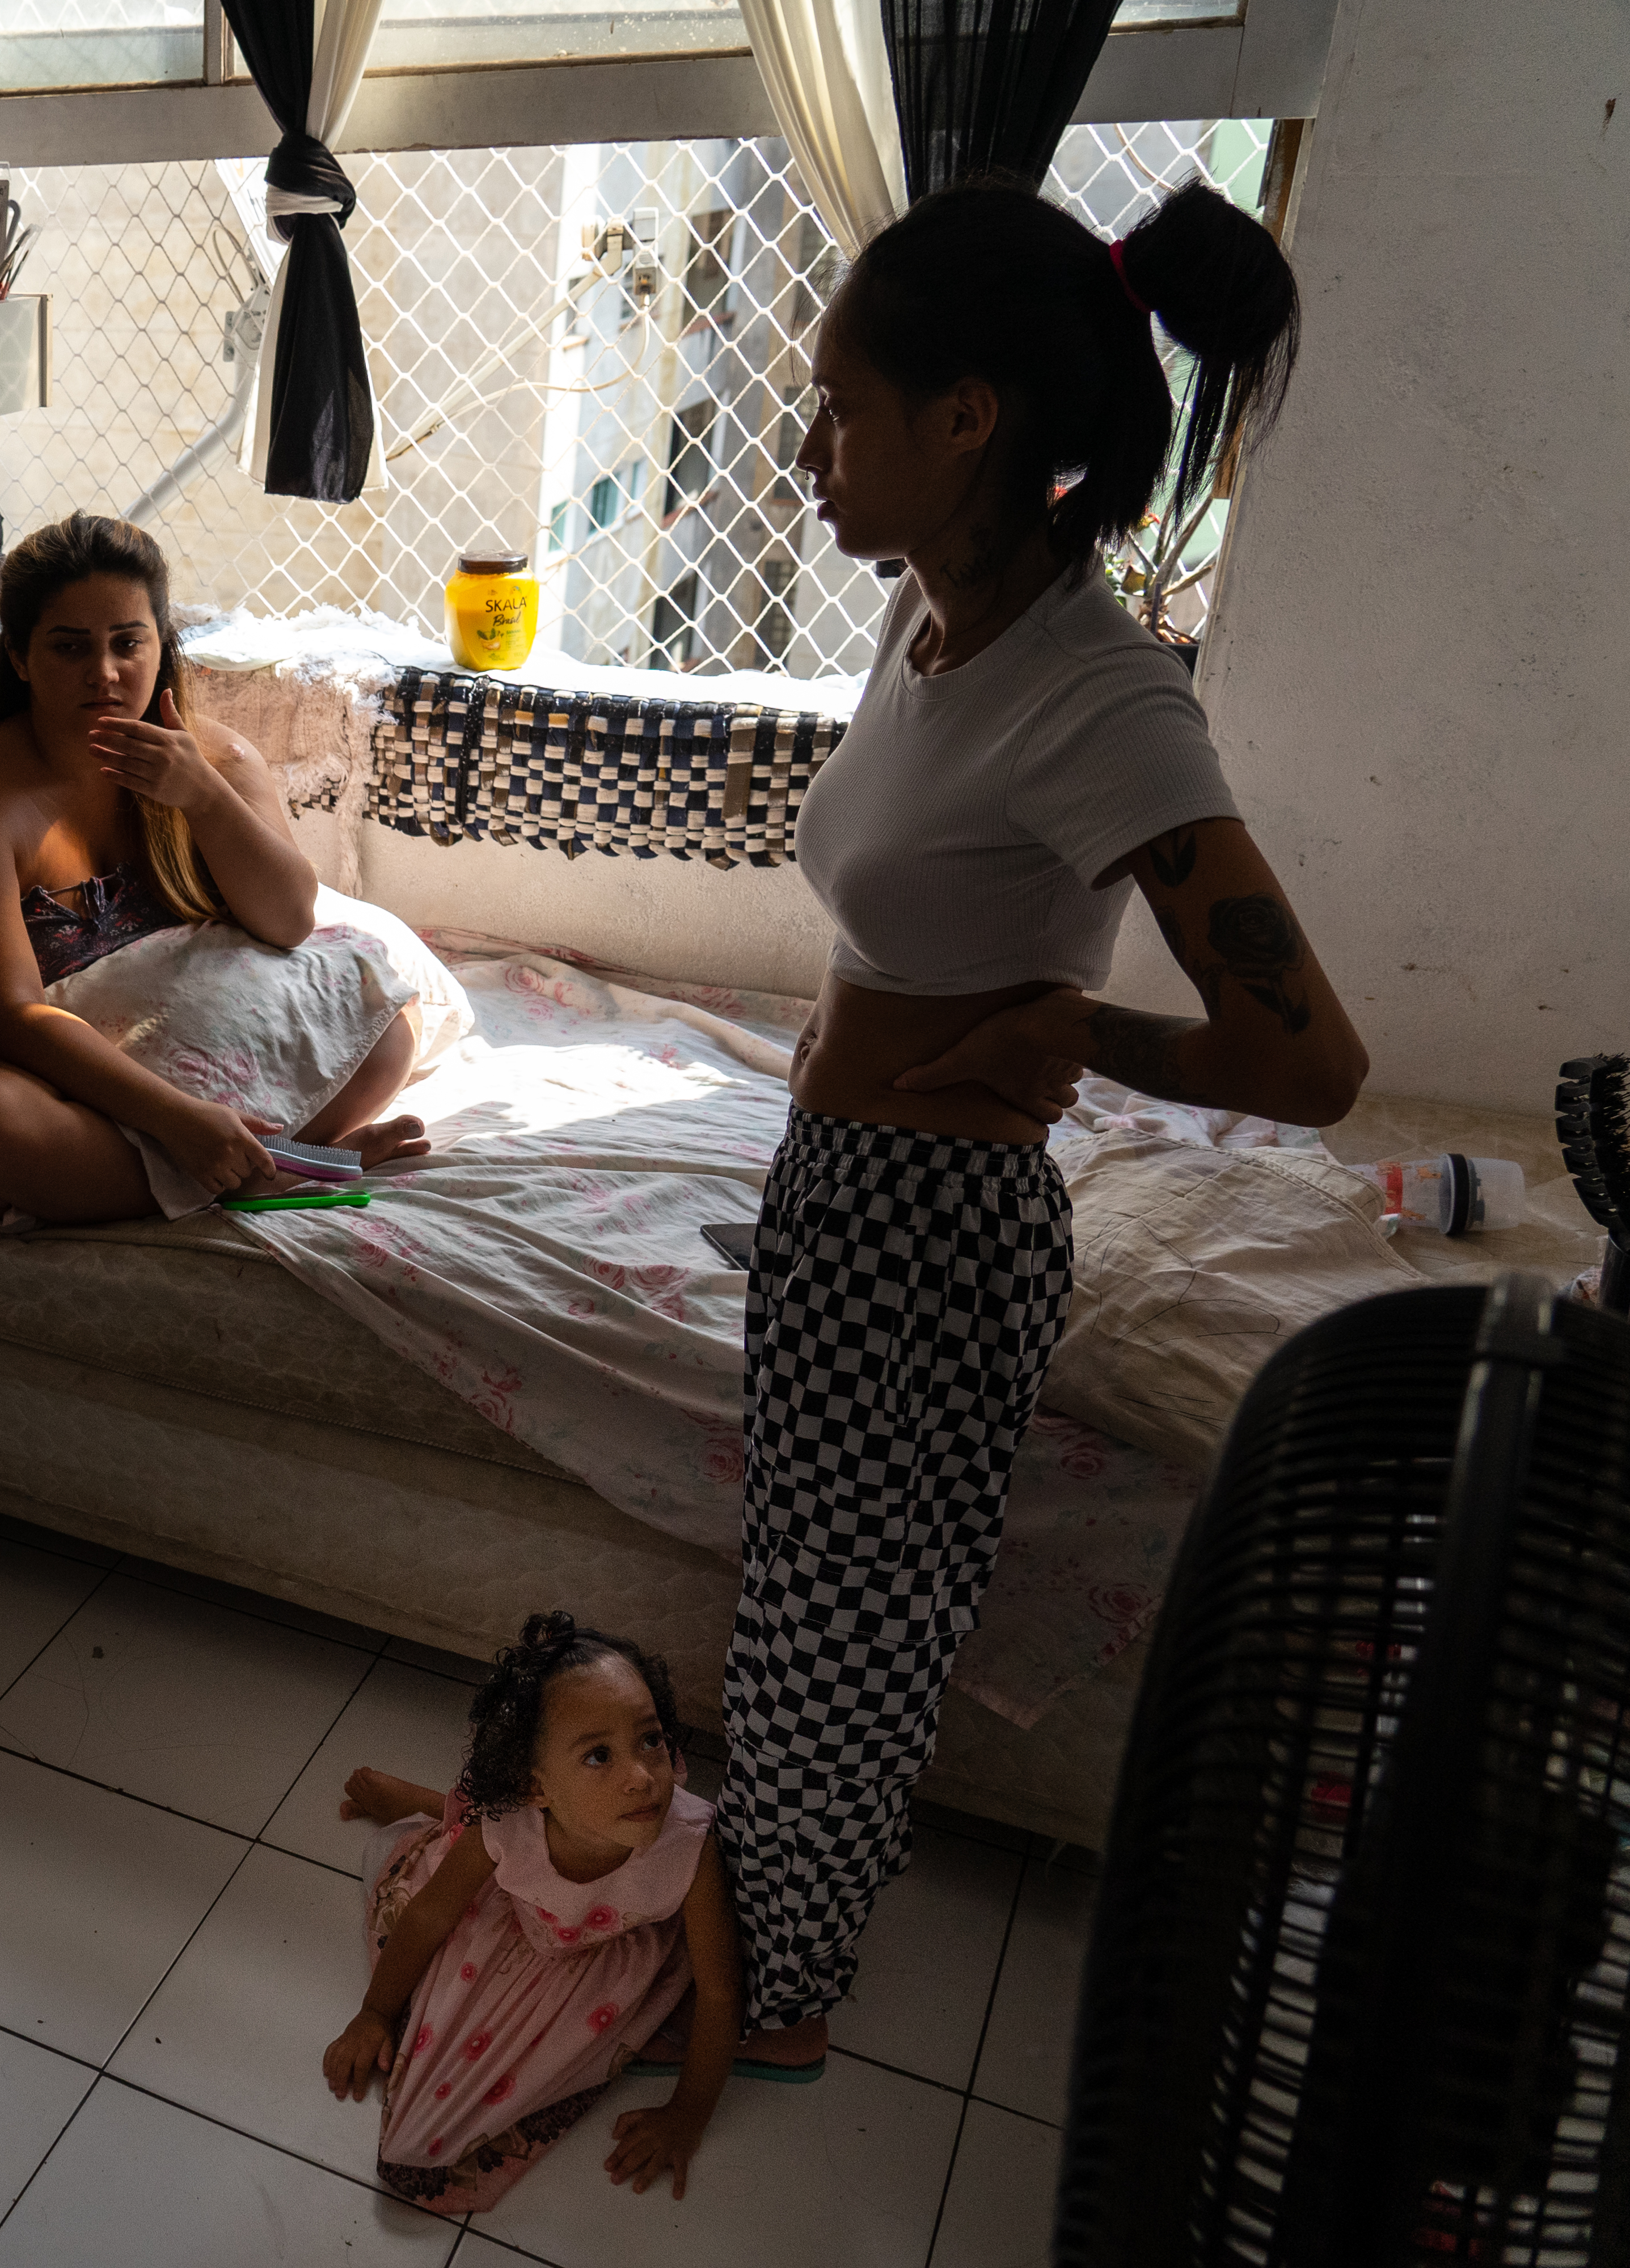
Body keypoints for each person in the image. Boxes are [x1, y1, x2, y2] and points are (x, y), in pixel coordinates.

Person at [719, 176, 1367, 2067]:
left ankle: (782, 1996)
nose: (809, 444)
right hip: (845, 1191)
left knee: (844, 1639)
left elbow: (1310, 1062)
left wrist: (1080, 1036)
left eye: (841, 405)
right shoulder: (934, 615)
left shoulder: (1099, 697)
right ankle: (776, 1912)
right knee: (810, 1609)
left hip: (931, 1230)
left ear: (968, 418)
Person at [0, 512, 430, 1221]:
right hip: (33, 1063)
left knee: (382, 1026)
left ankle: (236, 1165)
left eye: (128, 643)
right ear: (21, 658)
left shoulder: (215, 759)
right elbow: (14, 1017)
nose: (105, 673)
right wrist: (176, 1120)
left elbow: (289, 919)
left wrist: (203, 798)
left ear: (161, 644)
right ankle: (268, 1164)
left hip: (179, 1037)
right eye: (69, 647)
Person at [328, 1612, 741, 2212]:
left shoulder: (691, 1847)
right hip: (513, 1916)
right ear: (535, 1788)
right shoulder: (509, 1822)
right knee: (456, 1852)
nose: (643, 1777)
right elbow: (427, 1917)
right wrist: (373, 2013)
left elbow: (722, 1991)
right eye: (599, 1755)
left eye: (651, 1739)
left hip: (607, 1952)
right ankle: (436, 1807)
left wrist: (689, 2113)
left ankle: (441, 1804)